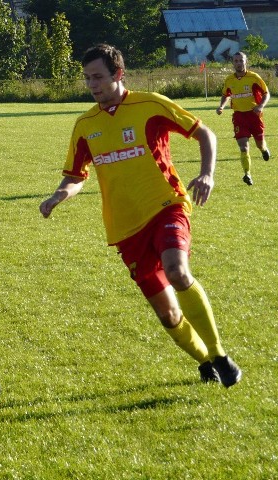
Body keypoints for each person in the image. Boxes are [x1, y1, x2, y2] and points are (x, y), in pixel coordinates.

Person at [40, 43, 242, 388]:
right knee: (168, 314)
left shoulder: (150, 105)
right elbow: (76, 176)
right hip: (125, 228)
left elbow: (203, 132)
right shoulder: (85, 125)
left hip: (167, 206)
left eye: (99, 77)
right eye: (88, 78)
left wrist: (207, 173)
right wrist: (62, 193)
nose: (92, 85)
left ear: (118, 74)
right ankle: (205, 360)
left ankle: (220, 355)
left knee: (178, 272)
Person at [216, 51, 271, 186]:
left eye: (241, 60)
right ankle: (247, 174)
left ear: (246, 62)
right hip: (239, 116)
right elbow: (225, 94)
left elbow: (266, 93)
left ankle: (264, 150)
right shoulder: (229, 80)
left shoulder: (254, 77)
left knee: (260, 144)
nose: (239, 63)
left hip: (254, 115)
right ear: (233, 63)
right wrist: (221, 106)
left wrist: (261, 106)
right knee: (243, 147)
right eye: (236, 61)